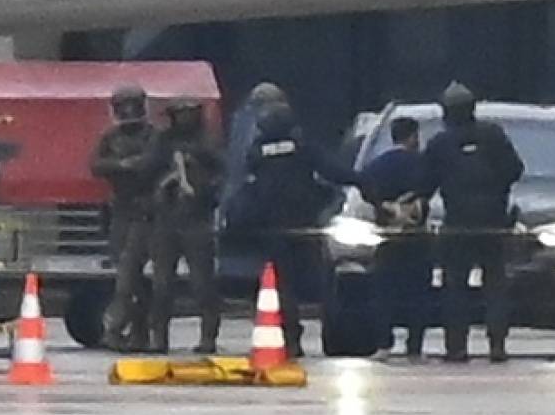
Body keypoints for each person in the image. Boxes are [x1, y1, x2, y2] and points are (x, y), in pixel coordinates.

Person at [236, 82, 360, 357]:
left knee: (283, 286)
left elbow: (247, 183)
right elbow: (332, 170)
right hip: (305, 223)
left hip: (273, 227)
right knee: (323, 282)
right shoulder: (302, 146)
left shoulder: (256, 151)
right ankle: (335, 336)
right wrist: (361, 180)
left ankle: (292, 339)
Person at [417, 81, 524, 363]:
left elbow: (425, 183)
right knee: (495, 286)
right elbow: (515, 169)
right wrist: (495, 190)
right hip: (494, 223)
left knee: (455, 287)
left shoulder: (440, 144)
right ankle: (497, 345)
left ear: (446, 112)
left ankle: (456, 347)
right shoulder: (493, 135)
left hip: (458, 224)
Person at [144, 99, 223, 354]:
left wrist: (202, 181)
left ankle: (208, 336)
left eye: (189, 113)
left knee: (202, 284)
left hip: (197, 219)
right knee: (162, 284)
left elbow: (222, 171)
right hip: (166, 220)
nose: (185, 119)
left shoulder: (207, 140)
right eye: (180, 114)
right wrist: (165, 180)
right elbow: (147, 169)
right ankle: (159, 337)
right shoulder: (162, 141)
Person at [90, 85, 156, 352]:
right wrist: (121, 165)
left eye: (133, 105)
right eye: (123, 106)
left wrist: (134, 165)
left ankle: (119, 329)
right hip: (120, 209)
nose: (128, 111)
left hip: (147, 211)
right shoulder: (110, 137)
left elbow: (154, 163)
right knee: (125, 271)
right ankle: (137, 332)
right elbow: (96, 165)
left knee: (130, 274)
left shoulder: (153, 135)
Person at [360, 117, 430, 362]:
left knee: (384, 291)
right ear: (413, 136)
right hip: (417, 237)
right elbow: (432, 185)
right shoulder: (422, 163)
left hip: (387, 236)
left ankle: (383, 343)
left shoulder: (378, 165)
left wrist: (383, 205)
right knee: (418, 292)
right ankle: (414, 345)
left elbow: (364, 186)